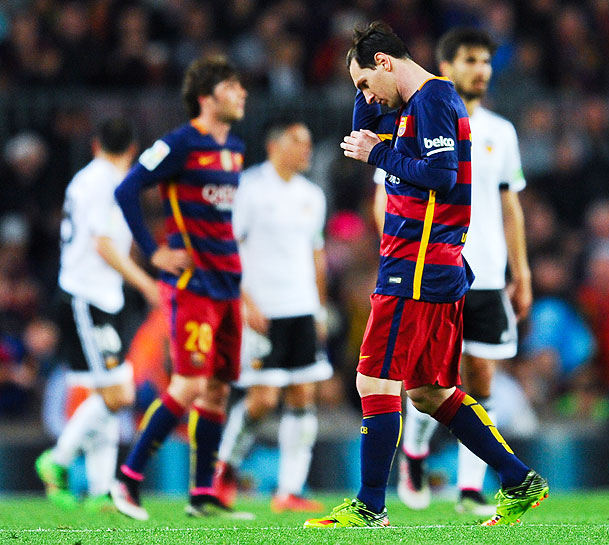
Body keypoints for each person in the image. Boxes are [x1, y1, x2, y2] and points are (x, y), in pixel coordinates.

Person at [305, 21, 547, 529]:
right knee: (428, 391)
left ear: (387, 64)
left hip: (416, 264)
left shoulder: (434, 101)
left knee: (373, 377)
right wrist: (366, 102)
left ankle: (371, 506)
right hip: (431, 262)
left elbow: (441, 176)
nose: (365, 96)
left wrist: (379, 154)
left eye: (366, 84)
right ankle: (519, 479)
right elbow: (361, 134)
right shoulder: (414, 104)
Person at [387, 27, 533, 516]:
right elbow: (383, 198)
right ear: (445, 66)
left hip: (488, 272)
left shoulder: (501, 131)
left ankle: (470, 488)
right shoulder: (411, 122)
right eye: (470, 60)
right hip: (432, 268)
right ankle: (414, 454)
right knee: (430, 381)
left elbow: (510, 205)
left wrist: (523, 271)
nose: (481, 70)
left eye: (486, 61)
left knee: (482, 380)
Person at [110, 55, 249, 521]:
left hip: (228, 283)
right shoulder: (178, 144)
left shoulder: (235, 148)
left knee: (217, 391)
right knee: (189, 384)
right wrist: (153, 251)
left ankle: (202, 495)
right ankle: (127, 479)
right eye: (233, 87)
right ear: (208, 98)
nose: (243, 93)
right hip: (192, 286)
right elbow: (127, 189)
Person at [35, 118, 159, 512]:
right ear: (133, 148)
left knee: (106, 394)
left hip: (96, 296)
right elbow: (103, 244)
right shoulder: (105, 183)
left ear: (94, 145)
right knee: (118, 392)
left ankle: (103, 488)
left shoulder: (88, 180)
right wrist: (145, 283)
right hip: (86, 298)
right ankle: (56, 461)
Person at [212, 119, 331, 513]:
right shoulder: (249, 189)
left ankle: (289, 490)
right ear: (275, 145)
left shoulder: (312, 195)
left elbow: (316, 254)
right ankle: (224, 469)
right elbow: (229, 248)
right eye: (299, 141)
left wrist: (318, 306)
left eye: (309, 143)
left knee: (303, 394)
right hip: (264, 309)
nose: (307, 150)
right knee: (262, 399)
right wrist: (246, 302)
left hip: (301, 307)